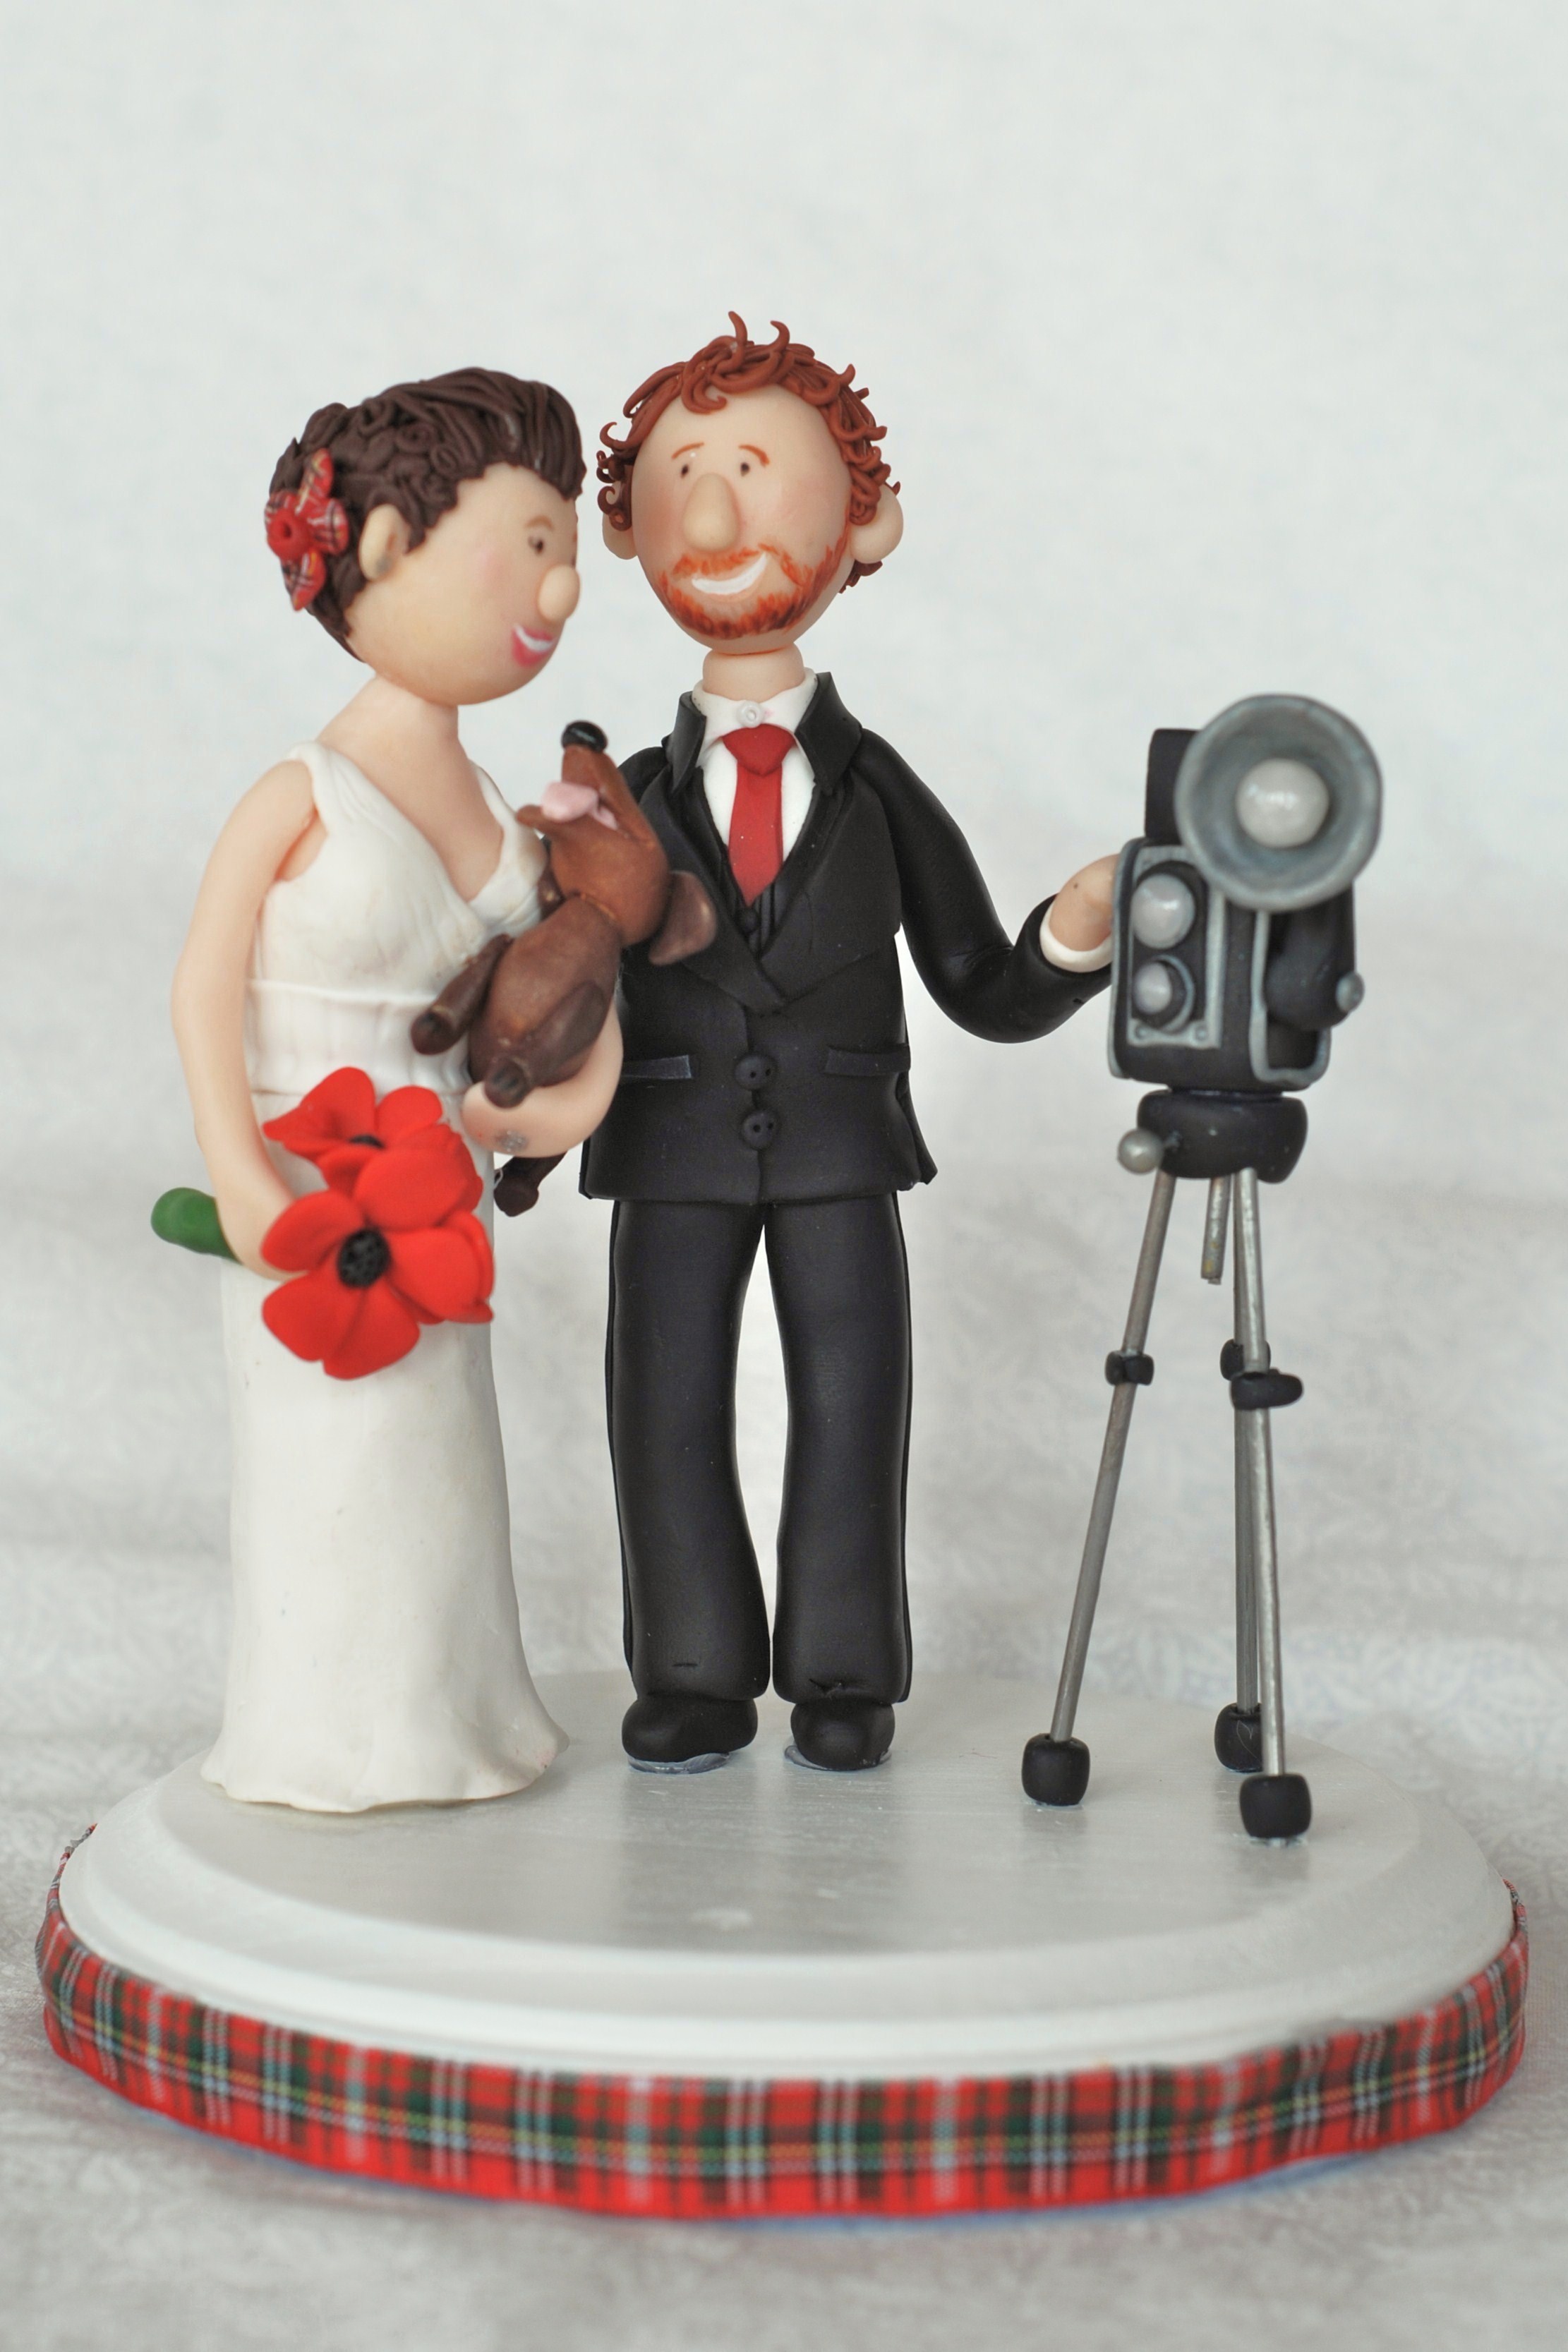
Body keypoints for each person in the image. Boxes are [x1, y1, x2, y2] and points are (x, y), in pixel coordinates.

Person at [589, 316, 1117, 1776]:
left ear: (865, 520)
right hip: (669, 1142)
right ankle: (691, 1666)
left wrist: (1074, 930)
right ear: (626, 529)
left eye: (754, 473)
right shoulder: (621, 800)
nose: (713, 520)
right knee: (662, 1403)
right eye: (681, 480)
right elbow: (566, 980)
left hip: (839, 1148)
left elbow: (980, 984)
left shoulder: (877, 791)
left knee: (853, 1400)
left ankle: (840, 1666)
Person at [172, 368, 621, 1811]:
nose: (559, 588)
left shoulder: (505, 814)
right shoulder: (299, 791)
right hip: (307, 1205)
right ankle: (316, 1735)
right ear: (376, 549)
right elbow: (201, 988)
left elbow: (565, 992)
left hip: (440, 1204)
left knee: (440, 1477)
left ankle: (453, 1719)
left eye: (567, 551)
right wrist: (241, 1173)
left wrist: (550, 1111)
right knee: (325, 1475)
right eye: (530, 544)